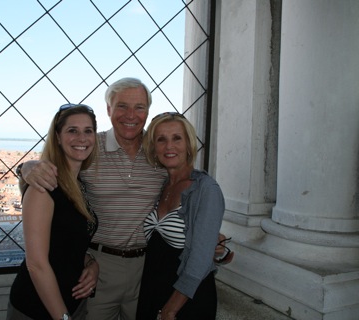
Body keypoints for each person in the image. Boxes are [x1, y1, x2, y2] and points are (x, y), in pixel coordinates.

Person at [19, 78, 230, 320]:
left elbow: (191, 192)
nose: (131, 115)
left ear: (147, 111)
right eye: (122, 106)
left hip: (147, 268)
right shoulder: (88, 146)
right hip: (98, 267)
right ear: (108, 109)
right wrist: (26, 167)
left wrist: (213, 243)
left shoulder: (158, 150)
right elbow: (53, 174)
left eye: (139, 107)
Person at [7, 104, 100, 320]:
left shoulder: (78, 185)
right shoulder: (44, 188)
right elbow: (36, 265)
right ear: (57, 137)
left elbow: (64, 243)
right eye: (72, 130)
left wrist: (90, 263)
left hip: (70, 303)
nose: (82, 138)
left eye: (88, 131)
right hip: (39, 308)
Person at [136, 112, 226, 320]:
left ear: (188, 143)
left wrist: (170, 309)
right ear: (153, 147)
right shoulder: (161, 186)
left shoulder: (206, 189)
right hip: (152, 290)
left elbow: (200, 259)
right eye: (161, 139)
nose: (169, 146)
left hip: (186, 300)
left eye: (177, 138)